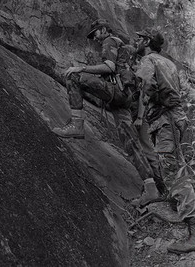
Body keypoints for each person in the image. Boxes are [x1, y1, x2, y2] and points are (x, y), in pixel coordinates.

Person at [53, 19, 166, 202]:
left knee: (73, 76)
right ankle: (153, 188)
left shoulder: (109, 41)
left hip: (118, 92)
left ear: (104, 30)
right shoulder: (126, 48)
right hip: (125, 98)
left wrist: (81, 67)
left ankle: (77, 125)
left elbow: (110, 66)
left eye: (96, 33)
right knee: (131, 143)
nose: (95, 38)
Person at [135, 27, 195, 254]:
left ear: (147, 42)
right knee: (179, 167)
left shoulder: (148, 59)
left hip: (164, 120)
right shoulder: (168, 62)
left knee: (173, 173)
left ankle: (193, 232)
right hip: (176, 119)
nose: (136, 42)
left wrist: (145, 105)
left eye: (139, 39)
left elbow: (147, 85)